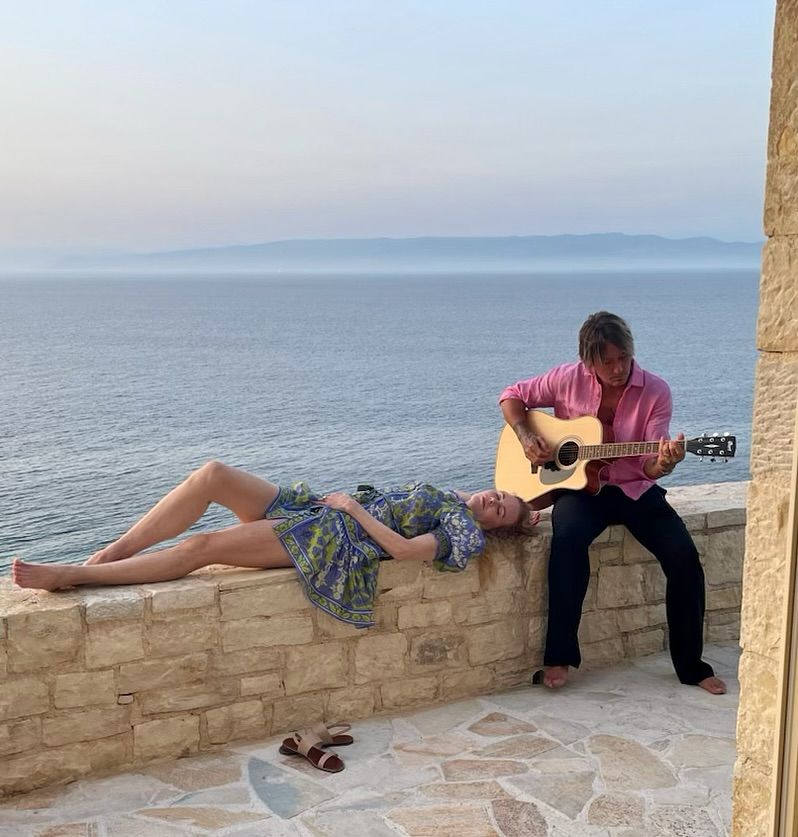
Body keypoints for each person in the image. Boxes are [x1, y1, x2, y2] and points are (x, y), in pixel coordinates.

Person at [499, 311, 726, 695]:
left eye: (624, 358)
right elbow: (512, 396)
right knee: (567, 542)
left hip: (635, 488)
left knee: (684, 558)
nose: (619, 368)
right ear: (588, 361)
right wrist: (525, 436)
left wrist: (665, 462)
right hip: (582, 491)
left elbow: (649, 465)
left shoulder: (656, 391)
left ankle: (691, 666)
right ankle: (559, 657)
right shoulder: (566, 378)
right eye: (608, 362)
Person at [12, 461, 538, 627]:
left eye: (500, 511)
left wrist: (352, 510)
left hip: (333, 536)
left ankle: (77, 575)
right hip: (314, 507)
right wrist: (533, 508)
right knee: (213, 474)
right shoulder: (461, 498)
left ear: (491, 528)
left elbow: (402, 551)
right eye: (500, 496)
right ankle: (113, 550)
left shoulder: (462, 533)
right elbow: (519, 498)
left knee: (206, 546)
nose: (494, 501)